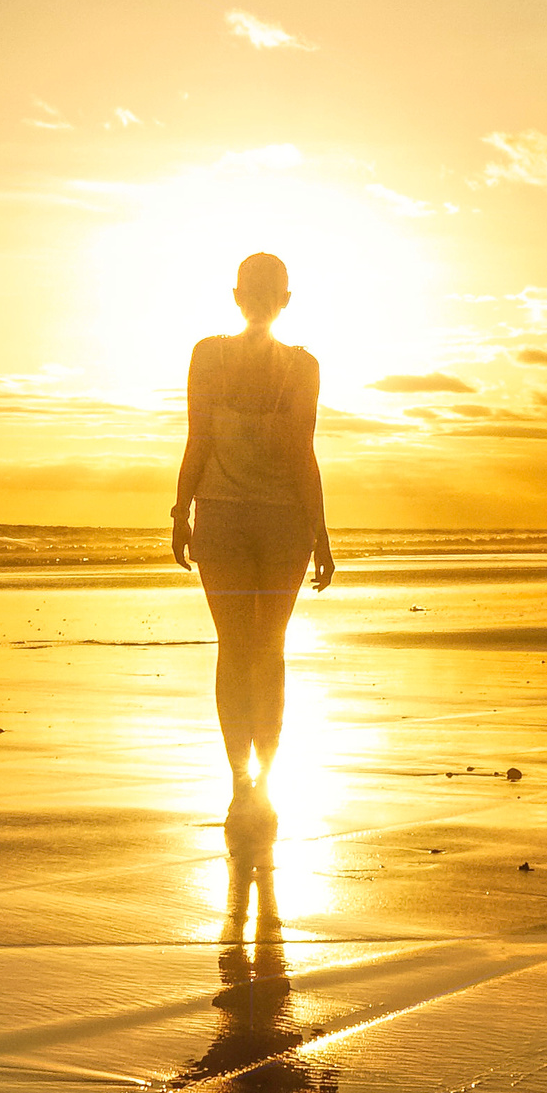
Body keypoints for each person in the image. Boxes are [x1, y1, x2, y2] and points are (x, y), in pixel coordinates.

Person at [170, 251, 334, 804]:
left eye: (268, 292)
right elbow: (201, 440)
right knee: (251, 648)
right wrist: (180, 512)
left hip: (267, 521)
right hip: (237, 519)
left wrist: (321, 535)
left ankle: (256, 773)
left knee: (256, 647)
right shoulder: (216, 356)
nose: (260, 300)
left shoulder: (294, 365)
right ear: (238, 296)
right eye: (254, 291)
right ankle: (248, 774)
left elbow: (299, 453)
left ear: (283, 301)